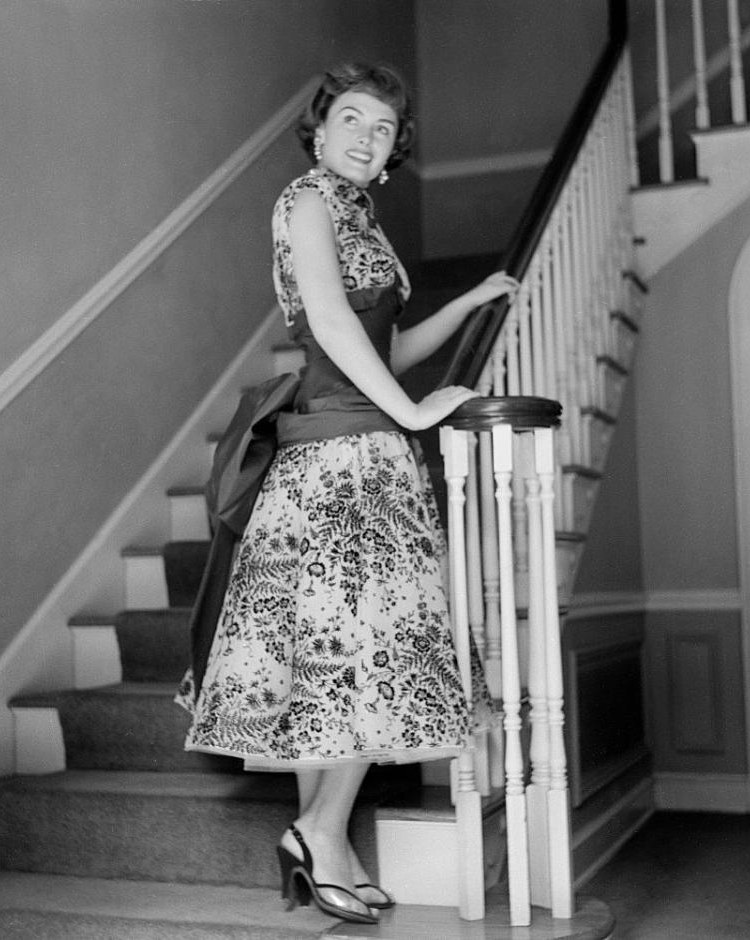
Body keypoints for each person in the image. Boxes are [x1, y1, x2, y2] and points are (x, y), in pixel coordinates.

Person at [176, 62, 517, 925]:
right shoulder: (305, 202)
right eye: (352, 120)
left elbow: (384, 347)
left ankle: (317, 835)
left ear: (392, 150)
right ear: (320, 133)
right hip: (334, 459)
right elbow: (327, 323)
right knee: (341, 657)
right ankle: (323, 837)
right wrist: (410, 412)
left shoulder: (362, 215)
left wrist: (469, 302)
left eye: (383, 127)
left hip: (371, 453)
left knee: (356, 662)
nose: (368, 136)